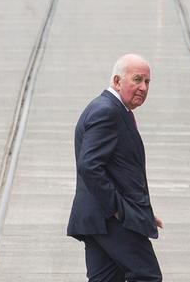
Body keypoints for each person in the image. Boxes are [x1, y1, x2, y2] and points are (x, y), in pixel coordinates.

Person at [67, 54, 162, 282]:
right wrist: (119, 210)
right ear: (117, 81)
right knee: (147, 275)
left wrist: (143, 212)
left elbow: (119, 170)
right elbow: (89, 166)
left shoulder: (110, 109)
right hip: (110, 220)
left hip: (99, 220)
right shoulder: (107, 111)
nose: (143, 87)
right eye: (137, 80)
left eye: (147, 82)